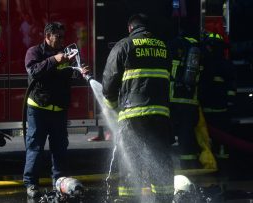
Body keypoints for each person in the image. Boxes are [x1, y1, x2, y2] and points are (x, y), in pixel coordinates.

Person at [102, 13, 174, 202]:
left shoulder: (124, 45)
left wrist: (111, 104)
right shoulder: (164, 47)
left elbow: (109, 80)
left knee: (131, 159)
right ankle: (165, 197)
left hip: (132, 114)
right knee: (160, 156)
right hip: (160, 113)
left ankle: (128, 198)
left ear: (130, 28)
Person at [23, 21, 90, 198]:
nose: (62, 41)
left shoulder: (67, 53)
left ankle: (59, 182)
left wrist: (81, 70)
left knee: (60, 147)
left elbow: (72, 73)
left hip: (59, 109)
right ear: (47, 37)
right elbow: (34, 71)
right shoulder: (35, 52)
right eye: (58, 37)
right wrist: (54, 60)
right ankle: (31, 184)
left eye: (63, 37)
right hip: (39, 108)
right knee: (35, 147)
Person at [199, 32, 237, 158]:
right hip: (221, 110)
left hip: (210, 110)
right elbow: (231, 86)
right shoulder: (225, 64)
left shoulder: (204, 63)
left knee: (210, 137)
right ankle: (221, 158)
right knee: (221, 138)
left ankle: (216, 157)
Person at [168, 33, 202, 168]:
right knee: (187, 141)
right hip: (190, 105)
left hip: (172, 103)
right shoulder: (197, 53)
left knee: (166, 138)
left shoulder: (171, 50)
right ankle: (190, 173)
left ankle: (165, 171)